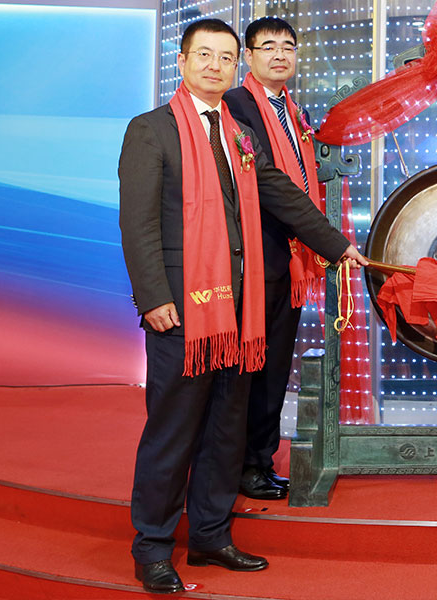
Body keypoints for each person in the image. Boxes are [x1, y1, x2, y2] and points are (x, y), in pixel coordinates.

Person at [119, 18, 367, 593]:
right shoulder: (151, 130)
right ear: (181, 62)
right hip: (183, 310)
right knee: (174, 431)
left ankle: (210, 535)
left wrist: (335, 245)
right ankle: (152, 548)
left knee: (226, 430)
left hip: (240, 308)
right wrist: (153, 297)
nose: (215, 66)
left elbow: (279, 192)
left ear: (236, 67)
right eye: (204, 55)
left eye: (225, 57)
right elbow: (138, 224)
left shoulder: (240, 134)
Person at [223, 17, 315, 501]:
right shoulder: (237, 105)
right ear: (249, 55)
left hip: (290, 257)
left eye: (288, 47)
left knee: (276, 367)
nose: (280, 55)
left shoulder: (294, 111)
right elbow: (265, 183)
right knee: (248, 369)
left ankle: (258, 461)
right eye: (268, 47)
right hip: (256, 257)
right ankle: (239, 465)